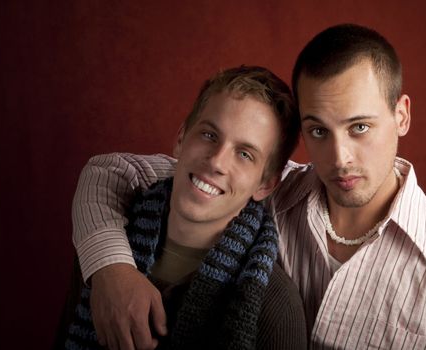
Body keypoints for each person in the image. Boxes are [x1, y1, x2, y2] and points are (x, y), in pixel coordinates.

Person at [70, 25, 426, 349]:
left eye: (359, 127)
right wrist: (112, 269)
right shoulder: (273, 189)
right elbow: (111, 172)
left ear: (402, 116)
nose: (339, 158)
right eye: (318, 132)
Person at [65, 65, 307, 349]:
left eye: (244, 154)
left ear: (265, 185)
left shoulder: (275, 304)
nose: (217, 161)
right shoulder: (102, 251)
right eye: (209, 135)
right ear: (181, 138)